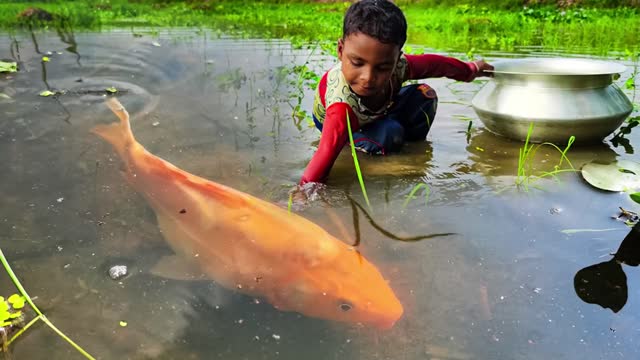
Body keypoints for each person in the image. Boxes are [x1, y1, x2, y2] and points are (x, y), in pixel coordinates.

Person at [298, 0, 493, 186]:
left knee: (425, 95)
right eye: (357, 63)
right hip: (341, 124)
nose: (368, 77)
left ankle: (404, 144)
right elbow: (321, 161)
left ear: (396, 59)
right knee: (390, 133)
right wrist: (303, 193)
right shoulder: (340, 108)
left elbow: (436, 65)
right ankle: (359, 143)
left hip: (377, 111)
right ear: (340, 50)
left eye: (382, 67)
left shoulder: (401, 66)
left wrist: (471, 70)